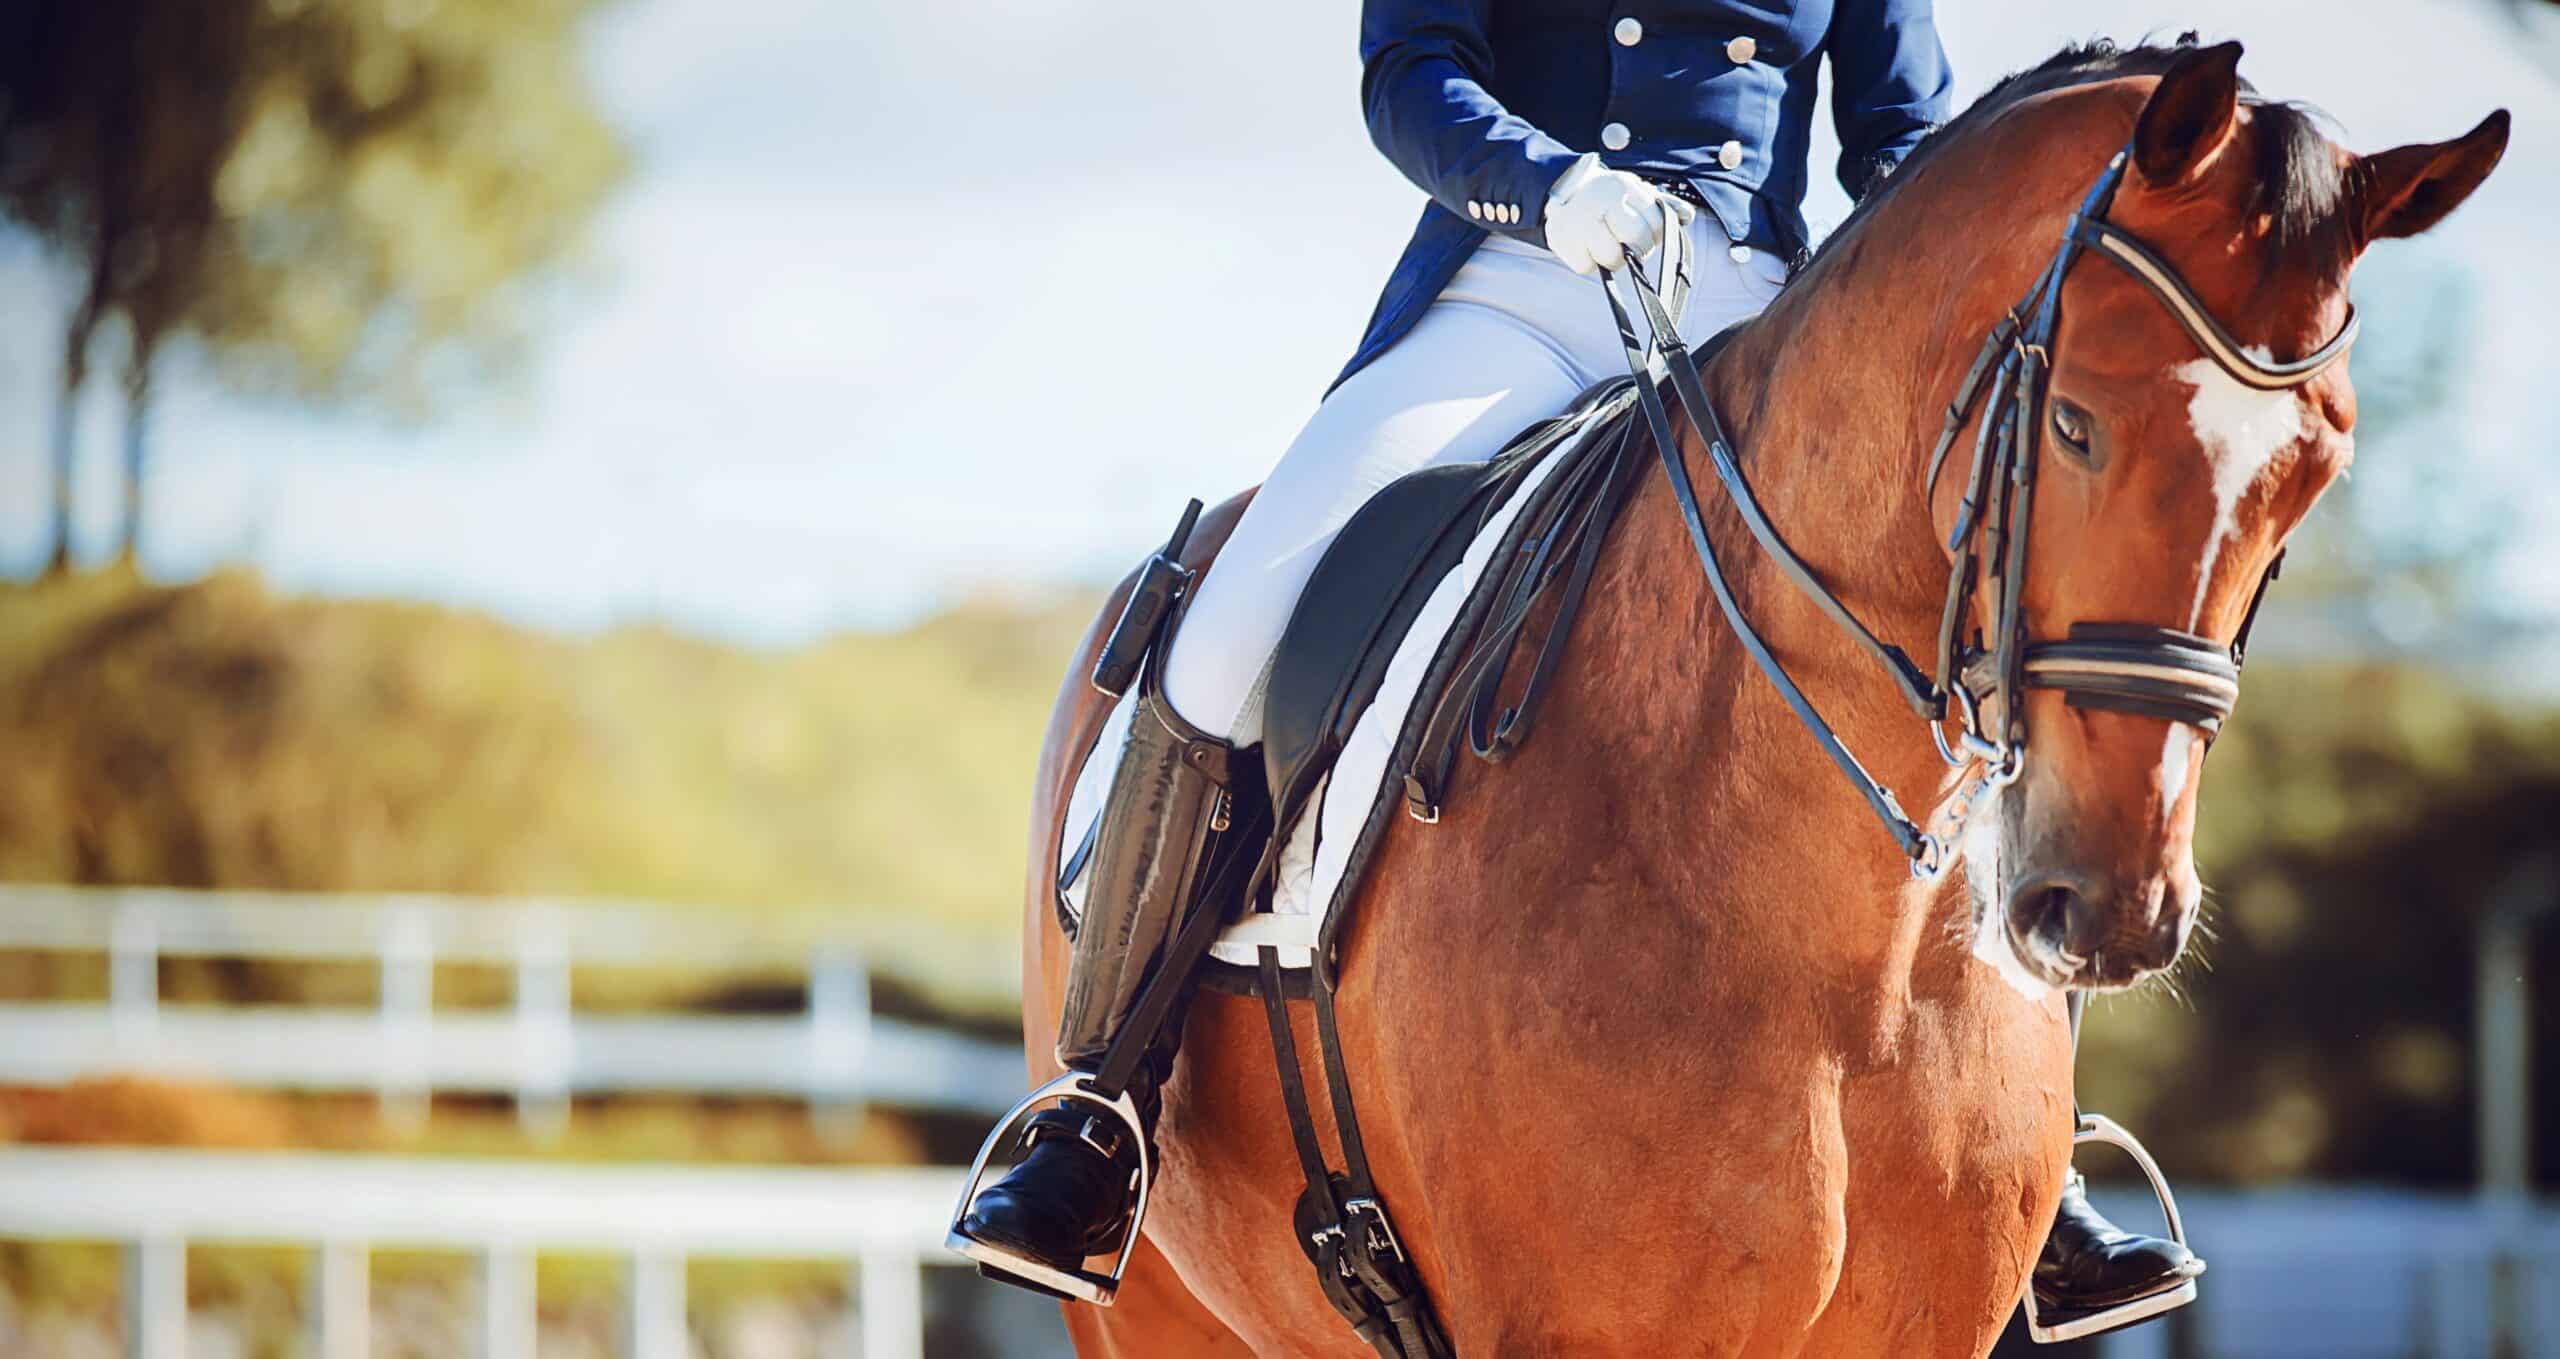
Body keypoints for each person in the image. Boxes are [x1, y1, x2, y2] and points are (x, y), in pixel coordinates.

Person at [954, 0, 2201, 1335]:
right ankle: (1103, 1108)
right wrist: (1549, 187)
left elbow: (1906, 134)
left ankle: (2030, 1160)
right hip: (1521, 284)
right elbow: (1411, 72)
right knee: (1231, 627)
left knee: (1990, 635)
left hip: (1768, 313)